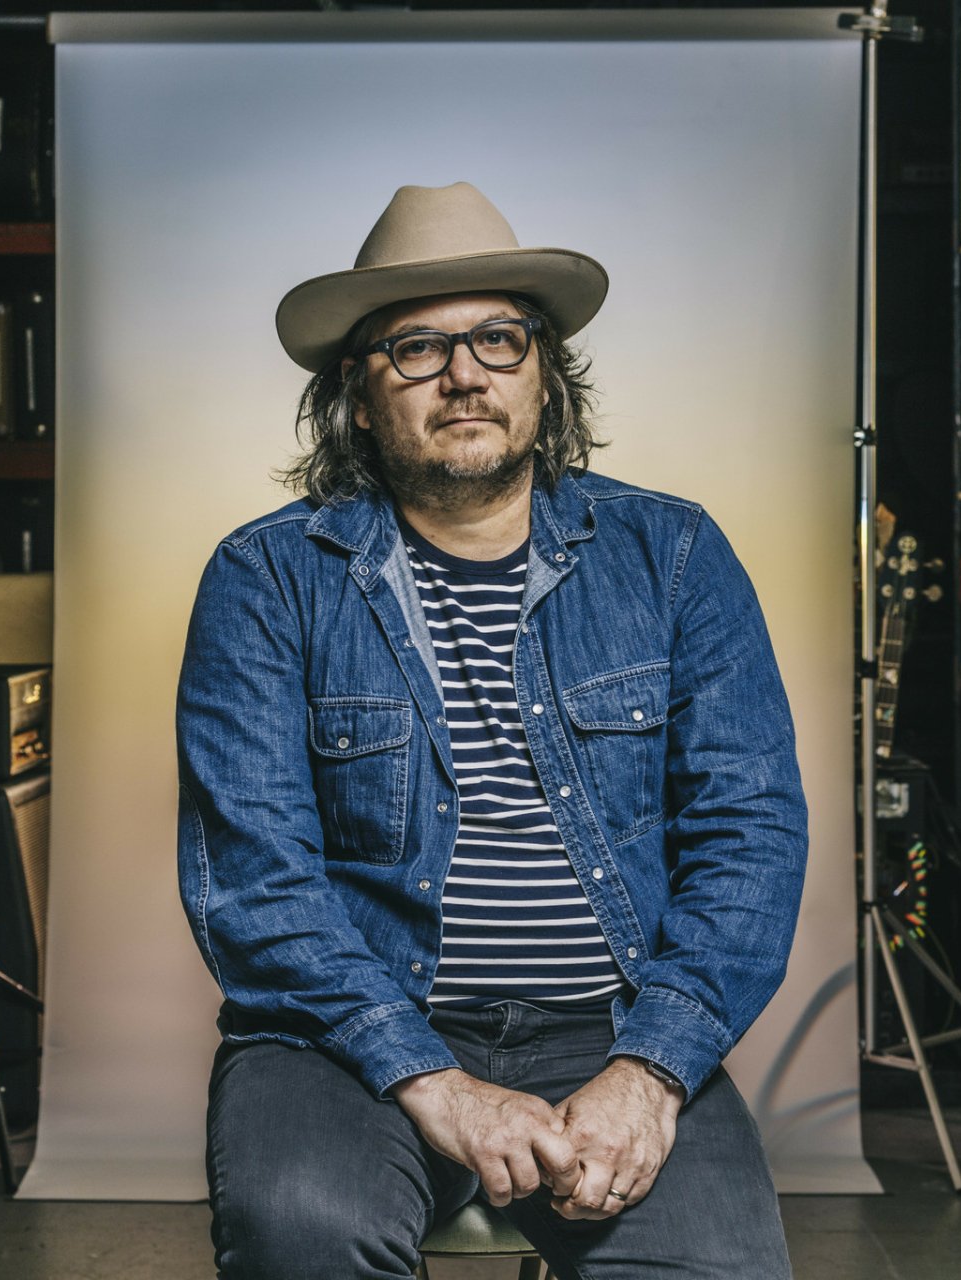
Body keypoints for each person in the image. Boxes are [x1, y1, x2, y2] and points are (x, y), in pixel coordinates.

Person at [178, 182, 808, 1279]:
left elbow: (750, 834)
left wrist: (651, 1070)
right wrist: (431, 1076)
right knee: (305, 1235)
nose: (464, 372)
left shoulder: (676, 556)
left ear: (543, 377)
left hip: (608, 1023)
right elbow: (253, 877)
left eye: (497, 339)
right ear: (358, 398)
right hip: (342, 1029)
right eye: (416, 347)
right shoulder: (266, 578)